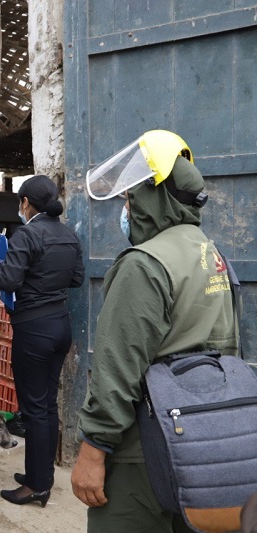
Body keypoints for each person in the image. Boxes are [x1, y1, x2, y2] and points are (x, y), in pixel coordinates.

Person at [71, 130, 238, 532]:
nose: (126, 208)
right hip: (202, 447)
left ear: (153, 198)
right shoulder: (213, 255)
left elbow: (117, 368)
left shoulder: (144, 264)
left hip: (142, 454)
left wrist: (94, 449)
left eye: (130, 198)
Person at [0, 174, 85, 507]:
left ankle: (37, 485)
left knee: (34, 409)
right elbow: (77, 278)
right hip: (60, 325)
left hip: (33, 328)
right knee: (46, 406)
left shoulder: (27, 235)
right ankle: (39, 475)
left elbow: (10, 280)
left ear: (26, 203)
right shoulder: (69, 235)